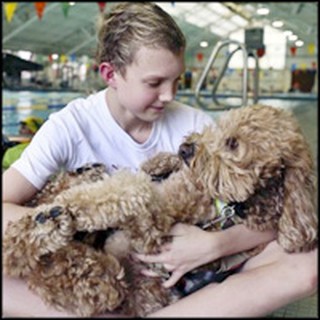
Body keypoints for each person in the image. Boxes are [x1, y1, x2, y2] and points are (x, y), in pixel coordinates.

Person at [2, 2, 317, 318]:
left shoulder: (193, 125)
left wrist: (214, 245)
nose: (169, 95)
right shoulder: (71, 126)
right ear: (111, 74)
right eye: (155, 83)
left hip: (181, 277)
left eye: (177, 81)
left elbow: (278, 215)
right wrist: (85, 226)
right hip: (98, 270)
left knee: (308, 262)